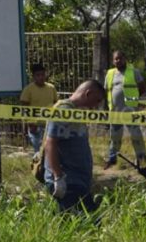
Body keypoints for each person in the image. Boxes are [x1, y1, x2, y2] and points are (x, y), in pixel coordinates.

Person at [43, 80, 106, 213]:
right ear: (88, 94)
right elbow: (50, 143)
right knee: (88, 225)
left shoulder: (75, 112)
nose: (96, 105)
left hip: (77, 180)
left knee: (81, 224)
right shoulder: (63, 110)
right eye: (97, 100)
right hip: (68, 180)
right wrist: (58, 177)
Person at [104, 51, 146, 169]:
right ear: (113, 61)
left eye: (120, 58)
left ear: (125, 59)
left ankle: (141, 156)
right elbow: (106, 90)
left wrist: (134, 99)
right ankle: (112, 158)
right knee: (114, 135)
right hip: (115, 110)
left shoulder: (134, 72)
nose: (118, 61)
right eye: (115, 59)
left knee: (136, 134)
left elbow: (143, 87)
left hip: (129, 109)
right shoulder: (109, 73)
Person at [20, 62, 57, 154]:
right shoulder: (28, 89)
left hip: (50, 124)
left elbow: (56, 104)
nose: (41, 77)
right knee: (39, 151)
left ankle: (49, 167)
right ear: (33, 77)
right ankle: (39, 168)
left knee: (51, 150)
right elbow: (25, 107)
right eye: (38, 75)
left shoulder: (51, 88)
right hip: (35, 126)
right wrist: (30, 123)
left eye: (43, 74)